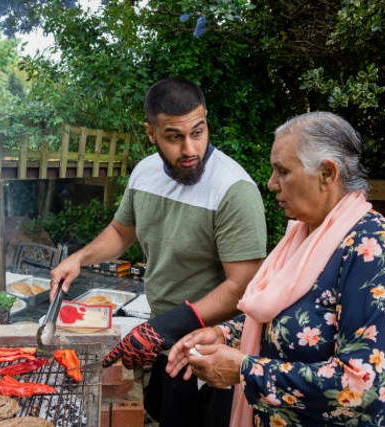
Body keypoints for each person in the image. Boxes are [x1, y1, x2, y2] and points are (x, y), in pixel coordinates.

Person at [167, 112, 385, 426]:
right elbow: (284, 321)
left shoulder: (375, 250)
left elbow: (364, 385)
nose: (272, 183)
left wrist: (246, 371)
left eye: (283, 171)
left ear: (327, 173)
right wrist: (223, 334)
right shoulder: (307, 237)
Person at [50, 77, 268, 426]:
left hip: (212, 351)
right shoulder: (144, 173)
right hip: (162, 340)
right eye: (174, 137)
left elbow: (243, 285)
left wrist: (166, 326)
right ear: (150, 132)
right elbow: (122, 232)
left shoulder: (233, 189)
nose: (190, 149)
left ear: (206, 120)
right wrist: (80, 257)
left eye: (198, 132)